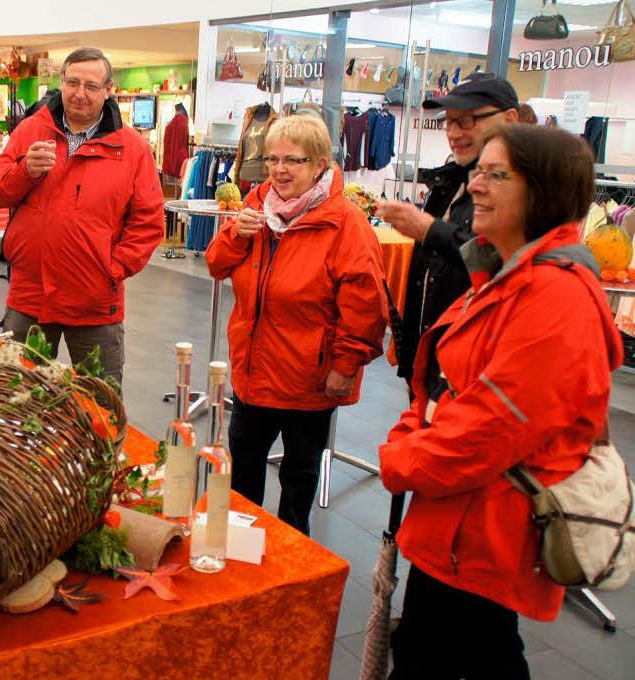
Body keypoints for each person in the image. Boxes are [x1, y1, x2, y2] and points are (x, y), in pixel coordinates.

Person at [379, 125, 623, 678]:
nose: (477, 186)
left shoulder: (555, 296)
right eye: (478, 172)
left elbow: (491, 428)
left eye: (495, 174)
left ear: (542, 190)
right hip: (461, 521)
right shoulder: (505, 276)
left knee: (450, 653)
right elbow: (447, 384)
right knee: (456, 650)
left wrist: (401, 459)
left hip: (486, 529)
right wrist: (413, 429)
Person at [205, 114, 388, 534]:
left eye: (293, 160)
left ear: (320, 163)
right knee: (243, 478)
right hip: (253, 374)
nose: (279, 170)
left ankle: (293, 571)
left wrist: (346, 366)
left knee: (298, 483)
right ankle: (237, 561)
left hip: (309, 382)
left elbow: (365, 305)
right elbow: (216, 263)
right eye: (272, 159)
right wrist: (237, 234)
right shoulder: (256, 205)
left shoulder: (345, 222)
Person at [0, 47, 163, 386]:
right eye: (73, 82)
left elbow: (148, 221)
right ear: (61, 83)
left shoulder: (133, 149)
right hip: (30, 296)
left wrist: (112, 269)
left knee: (99, 407)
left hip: (94, 302)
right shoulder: (29, 132)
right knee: (16, 401)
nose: (80, 93)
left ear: (109, 89)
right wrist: (24, 171)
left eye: (91, 85)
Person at [377, 73, 519, 384]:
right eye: (449, 122)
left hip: (476, 367)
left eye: (467, 121)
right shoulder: (453, 181)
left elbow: (504, 262)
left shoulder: (525, 189)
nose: (453, 133)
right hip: (435, 360)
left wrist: (430, 230)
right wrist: (412, 356)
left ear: (509, 119)